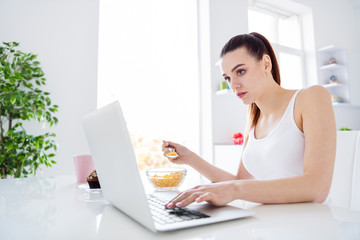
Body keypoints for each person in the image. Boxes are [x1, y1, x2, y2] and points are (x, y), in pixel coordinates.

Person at [162, 32, 336, 209]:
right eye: (228, 78)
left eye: (241, 71)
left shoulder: (311, 97)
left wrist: (235, 188)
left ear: (266, 64)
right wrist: (190, 158)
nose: (234, 85)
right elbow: (240, 182)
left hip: (311, 223)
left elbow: (317, 187)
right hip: (268, 224)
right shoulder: (253, 120)